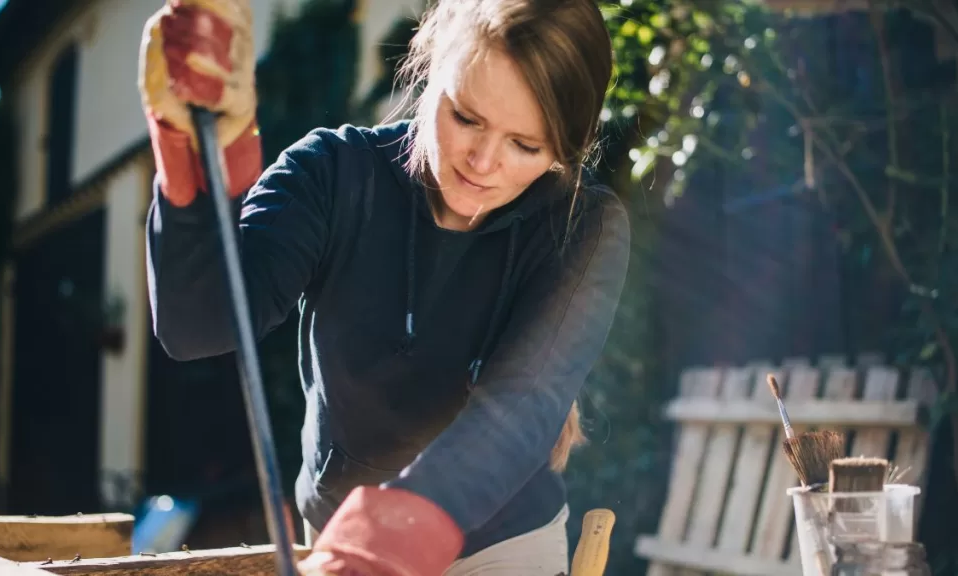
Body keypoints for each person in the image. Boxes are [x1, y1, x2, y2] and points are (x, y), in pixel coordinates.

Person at [138, 0, 630, 574]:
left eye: (526, 145)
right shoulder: (331, 173)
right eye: (466, 117)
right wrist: (190, 160)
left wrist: (390, 532)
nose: (484, 161)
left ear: (567, 147)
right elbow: (198, 325)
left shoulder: (582, 226)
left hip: (503, 549)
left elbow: (521, 408)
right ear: (431, 70)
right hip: (339, 532)